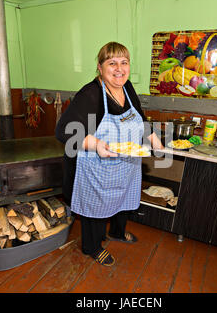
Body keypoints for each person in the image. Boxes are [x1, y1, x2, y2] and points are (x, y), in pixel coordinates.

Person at [55, 42, 163, 266]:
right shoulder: (92, 93)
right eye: (112, 63)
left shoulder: (127, 87)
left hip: (126, 162)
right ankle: (92, 247)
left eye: (124, 62)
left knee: (124, 195)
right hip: (95, 164)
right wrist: (96, 144)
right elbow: (63, 130)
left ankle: (116, 231)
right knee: (96, 204)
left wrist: (153, 138)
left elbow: (140, 118)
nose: (119, 68)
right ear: (100, 67)